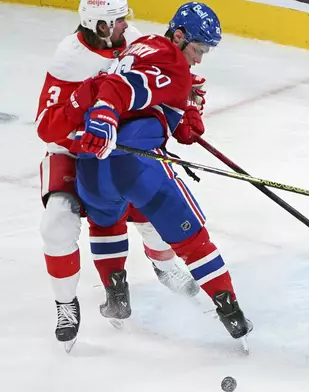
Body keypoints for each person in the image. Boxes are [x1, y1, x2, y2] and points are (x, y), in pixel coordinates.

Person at [68, 1, 251, 342]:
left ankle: (116, 295)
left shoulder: (142, 45)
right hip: (134, 162)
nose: (198, 58)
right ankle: (231, 313)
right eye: (197, 49)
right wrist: (109, 113)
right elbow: (127, 89)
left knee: (105, 222)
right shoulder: (172, 62)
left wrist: (187, 104)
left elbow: (169, 113)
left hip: (91, 164)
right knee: (193, 239)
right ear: (179, 36)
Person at [35, 0, 200, 351]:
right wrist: (86, 132)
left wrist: (182, 100)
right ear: (100, 26)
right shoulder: (69, 59)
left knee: (153, 205)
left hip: (122, 145)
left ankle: (165, 266)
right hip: (73, 151)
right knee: (56, 224)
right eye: (119, 21)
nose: (127, 26)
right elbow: (46, 127)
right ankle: (66, 305)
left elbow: (154, 94)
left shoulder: (135, 40)